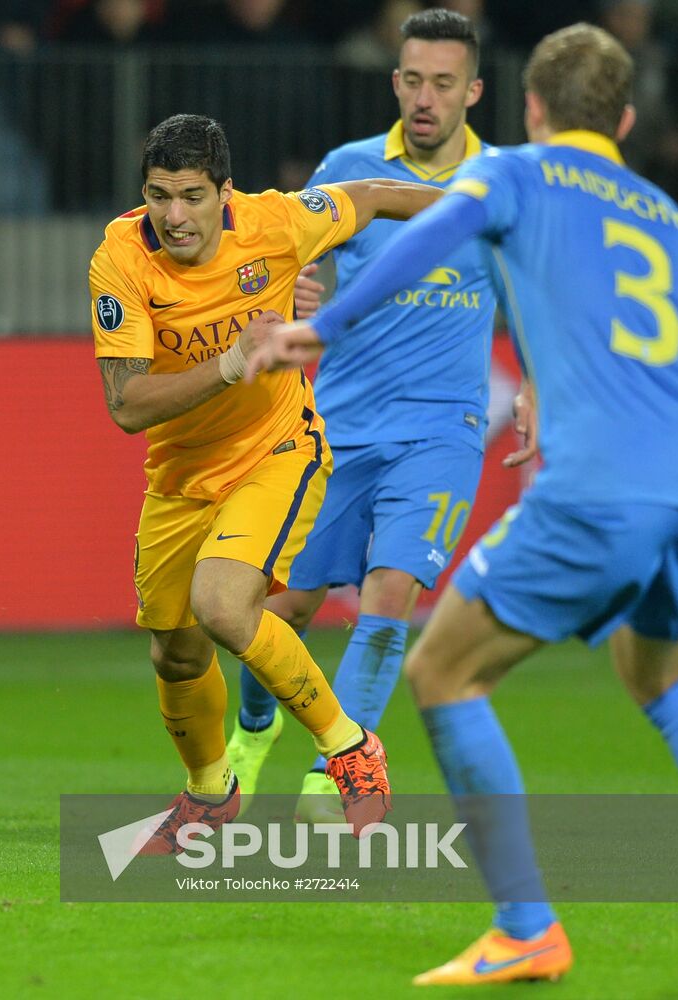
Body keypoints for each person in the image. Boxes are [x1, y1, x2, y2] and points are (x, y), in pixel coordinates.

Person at [245, 23, 678, 985]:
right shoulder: (674, 221)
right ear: (623, 119)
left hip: (595, 489)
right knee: (659, 676)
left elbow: (421, 243)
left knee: (446, 670)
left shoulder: (513, 176)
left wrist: (315, 329)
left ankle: (527, 926)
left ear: (529, 110)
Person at [89, 113, 442, 849]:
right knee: (174, 650)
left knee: (224, 605)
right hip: (180, 473)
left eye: (191, 196)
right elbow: (125, 406)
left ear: (226, 192)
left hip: (276, 449)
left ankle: (350, 747)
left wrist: (485, 209)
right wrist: (228, 361)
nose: (174, 215)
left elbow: (373, 196)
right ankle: (211, 795)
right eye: (158, 195)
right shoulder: (120, 259)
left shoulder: (276, 223)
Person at [227, 8, 533, 824]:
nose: (425, 97)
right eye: (413, 80)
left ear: (473, 90)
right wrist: (294, 292)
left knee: (389, 591)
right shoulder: (350, 168)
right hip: (340, 426)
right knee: (274, 613)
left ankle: (338, 771)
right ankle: (251, 735)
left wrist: (533, 382)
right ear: (394, 80)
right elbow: (287, 261)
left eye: (443, 83)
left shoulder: (502, 182)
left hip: (442, 427)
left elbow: (524, 294)